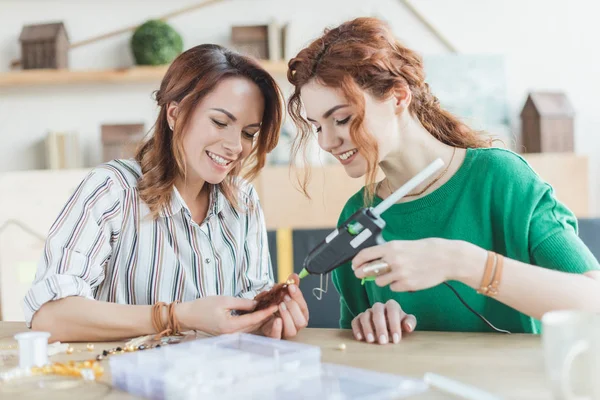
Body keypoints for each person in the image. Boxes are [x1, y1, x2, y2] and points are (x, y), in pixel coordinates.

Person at [286, 17, 600, 344]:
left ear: (397, 97)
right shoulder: (357, 218)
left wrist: (460, 261)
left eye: (342, 119)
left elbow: (594, 303)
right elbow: (354, 350)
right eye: (318, 126)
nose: (326, 142)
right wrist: (371, 324)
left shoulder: (501, 180)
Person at [24, 44, 309, 342]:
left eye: (249, 133)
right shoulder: (112, 190)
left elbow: (247, 309)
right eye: (220, 122)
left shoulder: (243, 200)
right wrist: (175, 316)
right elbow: (49, 316)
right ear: (174, 114)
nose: (236, 146)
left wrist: (268, 318)